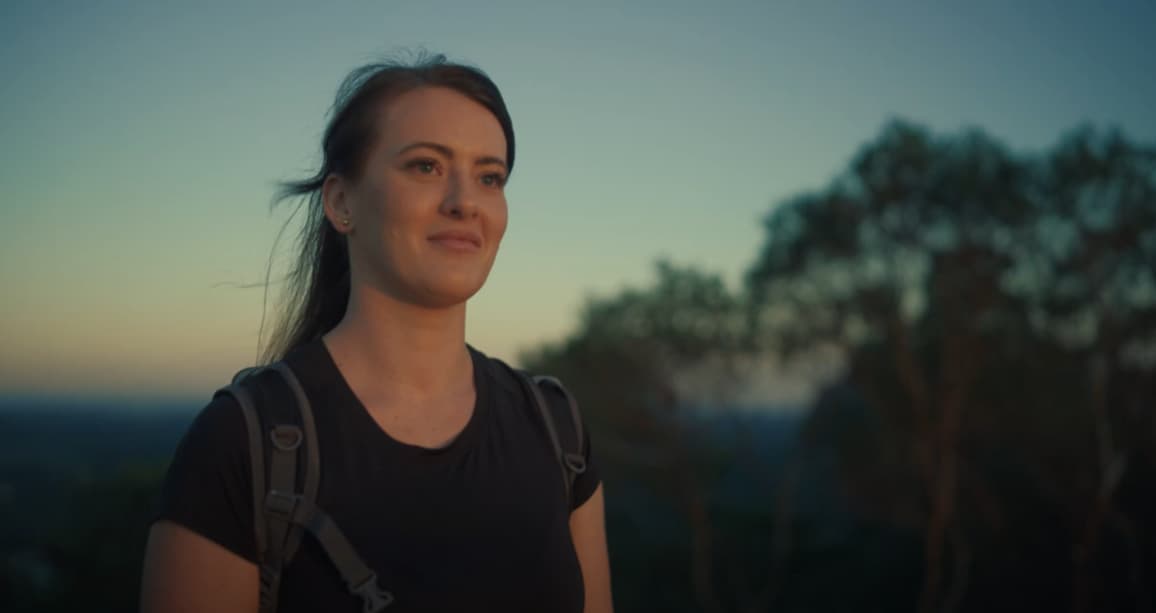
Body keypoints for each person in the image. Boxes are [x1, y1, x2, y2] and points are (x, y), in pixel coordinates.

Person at [139, 53, 613, 612]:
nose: (465, 202)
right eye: (426, 167)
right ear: (342, 203)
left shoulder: (556, 431)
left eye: (489, 177)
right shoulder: (243, 443)